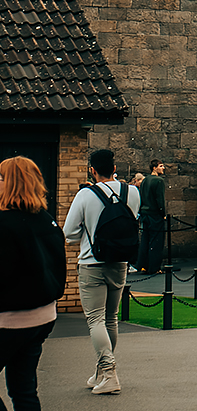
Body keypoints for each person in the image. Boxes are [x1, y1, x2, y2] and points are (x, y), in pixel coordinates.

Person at [0, 157, 67, 411]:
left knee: (22, 386)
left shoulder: (4, 223)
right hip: (42, 316)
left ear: (10, 182)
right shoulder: (46, 221)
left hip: (10, 318)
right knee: (23, 387)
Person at [63, 148, 141, 396]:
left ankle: (109, 372)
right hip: (120, 262)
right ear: (114, 168)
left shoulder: (86, 194)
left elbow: (69, 232)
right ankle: (101, 371)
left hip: (92, 262)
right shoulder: (132, 192)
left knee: (95, 319)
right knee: (111, 318)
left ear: (92, 170)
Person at [138, 160, 168, 276]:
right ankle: (154, 267)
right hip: (155, 214)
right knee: (156, 241)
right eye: (161, 166)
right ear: (154, 168)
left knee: (145, 240)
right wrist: (163, 213)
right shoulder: (159, 181)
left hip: (145, 213)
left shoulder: (145, 180)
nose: (163, 168)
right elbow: (159, 199)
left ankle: (143, 265)